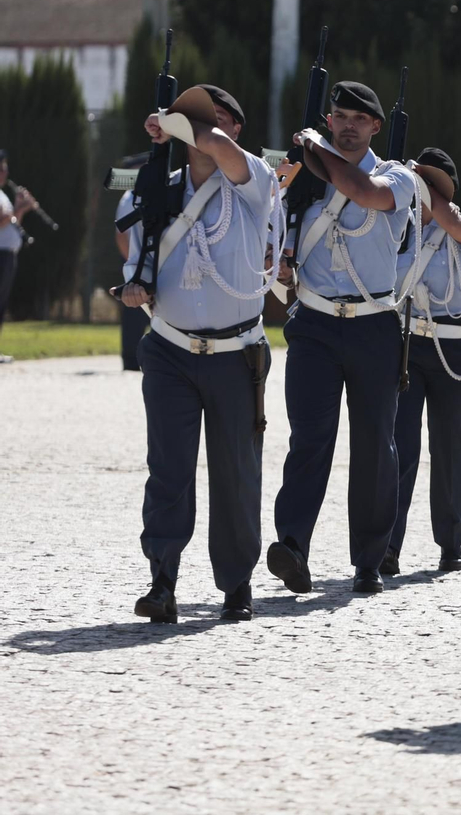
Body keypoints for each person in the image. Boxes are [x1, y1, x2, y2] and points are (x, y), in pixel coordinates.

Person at [116, 85, 280, 624]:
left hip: (236, 354)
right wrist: (134, 288)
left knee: (236, 471)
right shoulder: (154, 191)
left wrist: (181, 124)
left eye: (217, 121)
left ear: (235, 129)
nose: (207, 131)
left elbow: (220, 150)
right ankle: (162, 579)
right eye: (196, 121)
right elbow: (137, 262)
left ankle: (236, 584)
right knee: (168, 469)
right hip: (169, 350)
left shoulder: (254, 181)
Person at [267, 79, 419, 597]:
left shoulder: (397, 176)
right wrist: (280, 259)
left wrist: (315, 150)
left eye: (359, 119)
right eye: (339, 117)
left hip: (373, 324)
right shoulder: (301, 174)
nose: (348, 126)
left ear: (375, 126)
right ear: (327, 120)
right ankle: (292, 546)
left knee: (375, 443)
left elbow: (365, 193)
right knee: (309, 438)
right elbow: (277, 232)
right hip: (313, 323)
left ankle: (369, 560)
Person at [386, 147, 461, 576]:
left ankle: (450, 542)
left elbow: (456, 227)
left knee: (449, 448)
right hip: (408, 344)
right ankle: (388, 545)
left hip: (453, 345)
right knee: (400, 446)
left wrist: (420, 184)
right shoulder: (397, 225)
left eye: (429, 185)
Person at [113, 153, 151, 371]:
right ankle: (130, 360)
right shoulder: (130, 198)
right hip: (137, 263)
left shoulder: (147, 194)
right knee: (134, 312)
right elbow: (121, 236)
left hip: (146, 262)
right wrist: (135, 266)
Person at [0, 149, 31, 349]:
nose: (5, 173)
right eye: (2, 169)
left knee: (2, 304)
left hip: (8, 255)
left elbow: (12, 223)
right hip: (0, 254)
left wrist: (21, 207)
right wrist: (18, 209)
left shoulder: (3, 195)